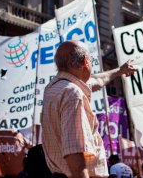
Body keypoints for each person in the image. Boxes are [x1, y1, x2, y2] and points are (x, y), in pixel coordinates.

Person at [41, 40, 137, 178]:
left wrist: (120, 71)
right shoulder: (72, 93)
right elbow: (75, 156)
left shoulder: (54, 88)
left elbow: (96, 81)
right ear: (86, 62)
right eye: (91, 59)